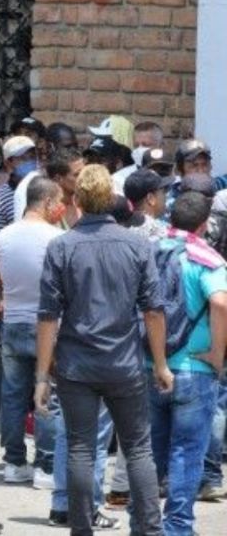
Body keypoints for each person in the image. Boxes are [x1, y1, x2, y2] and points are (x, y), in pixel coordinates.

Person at [34, 164, 170, 535]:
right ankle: (149, 528)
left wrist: (41, 375)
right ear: (113, 199)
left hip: (77, 365)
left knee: (80, 448)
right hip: (124, 362)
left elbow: (48, 316)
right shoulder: (137, 244)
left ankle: (82, 528)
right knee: (138, 448)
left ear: (76, 199)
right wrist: (160, 363)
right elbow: (154, 311)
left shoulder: (62, 247)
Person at [149, 191, 226, 534]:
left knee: (150, 449)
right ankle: (177, 525)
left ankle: (145, 518)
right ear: (204, 223)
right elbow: (221, 304)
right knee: (187, 450)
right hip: (194, 368)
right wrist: (216, 354)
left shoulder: (148, 250)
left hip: (151, 363)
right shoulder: (207, 257)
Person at [0, 177, 65, 487]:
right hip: (47, 326)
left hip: (12, 320)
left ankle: (13, 462)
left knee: (12, 394)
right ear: (49, 202)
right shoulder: (56, 237)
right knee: (46, 393)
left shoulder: (5, 235)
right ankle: (46, 466)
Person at [124, 168, 174, 242]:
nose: (165, 196)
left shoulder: (121, 230)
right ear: (151, 199)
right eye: (163, 192)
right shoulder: (160, 232)